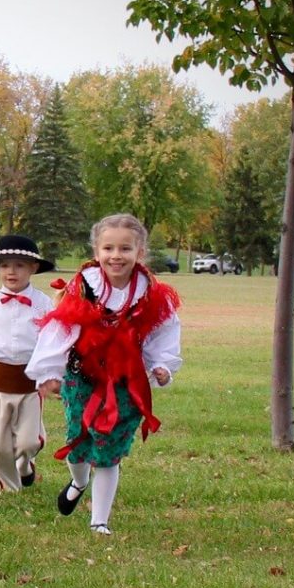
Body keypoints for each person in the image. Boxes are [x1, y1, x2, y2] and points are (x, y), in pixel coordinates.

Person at [25, 213, 181, 536]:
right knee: (79, 442)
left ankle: (99, 520)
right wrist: (49, 371)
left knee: (108, 451)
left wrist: (162, 365)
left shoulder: (150, 291)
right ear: (97, 252)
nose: (116, 255)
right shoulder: (84, 286)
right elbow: (60, 327)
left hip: (126, 383)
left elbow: (162, 332)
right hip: (82, 378)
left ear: (140, 252)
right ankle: (79, 482)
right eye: (108, 248)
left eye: (125, 248)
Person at [0, 234, 55, 492]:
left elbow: (54, 339)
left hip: (30, 382)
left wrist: (53, 372)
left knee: (29, 441)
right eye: (4, 265)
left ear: (33, 268)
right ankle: (10, 489)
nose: (11, 271)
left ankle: (25, 465)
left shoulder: (43, 303)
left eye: (19, 265)